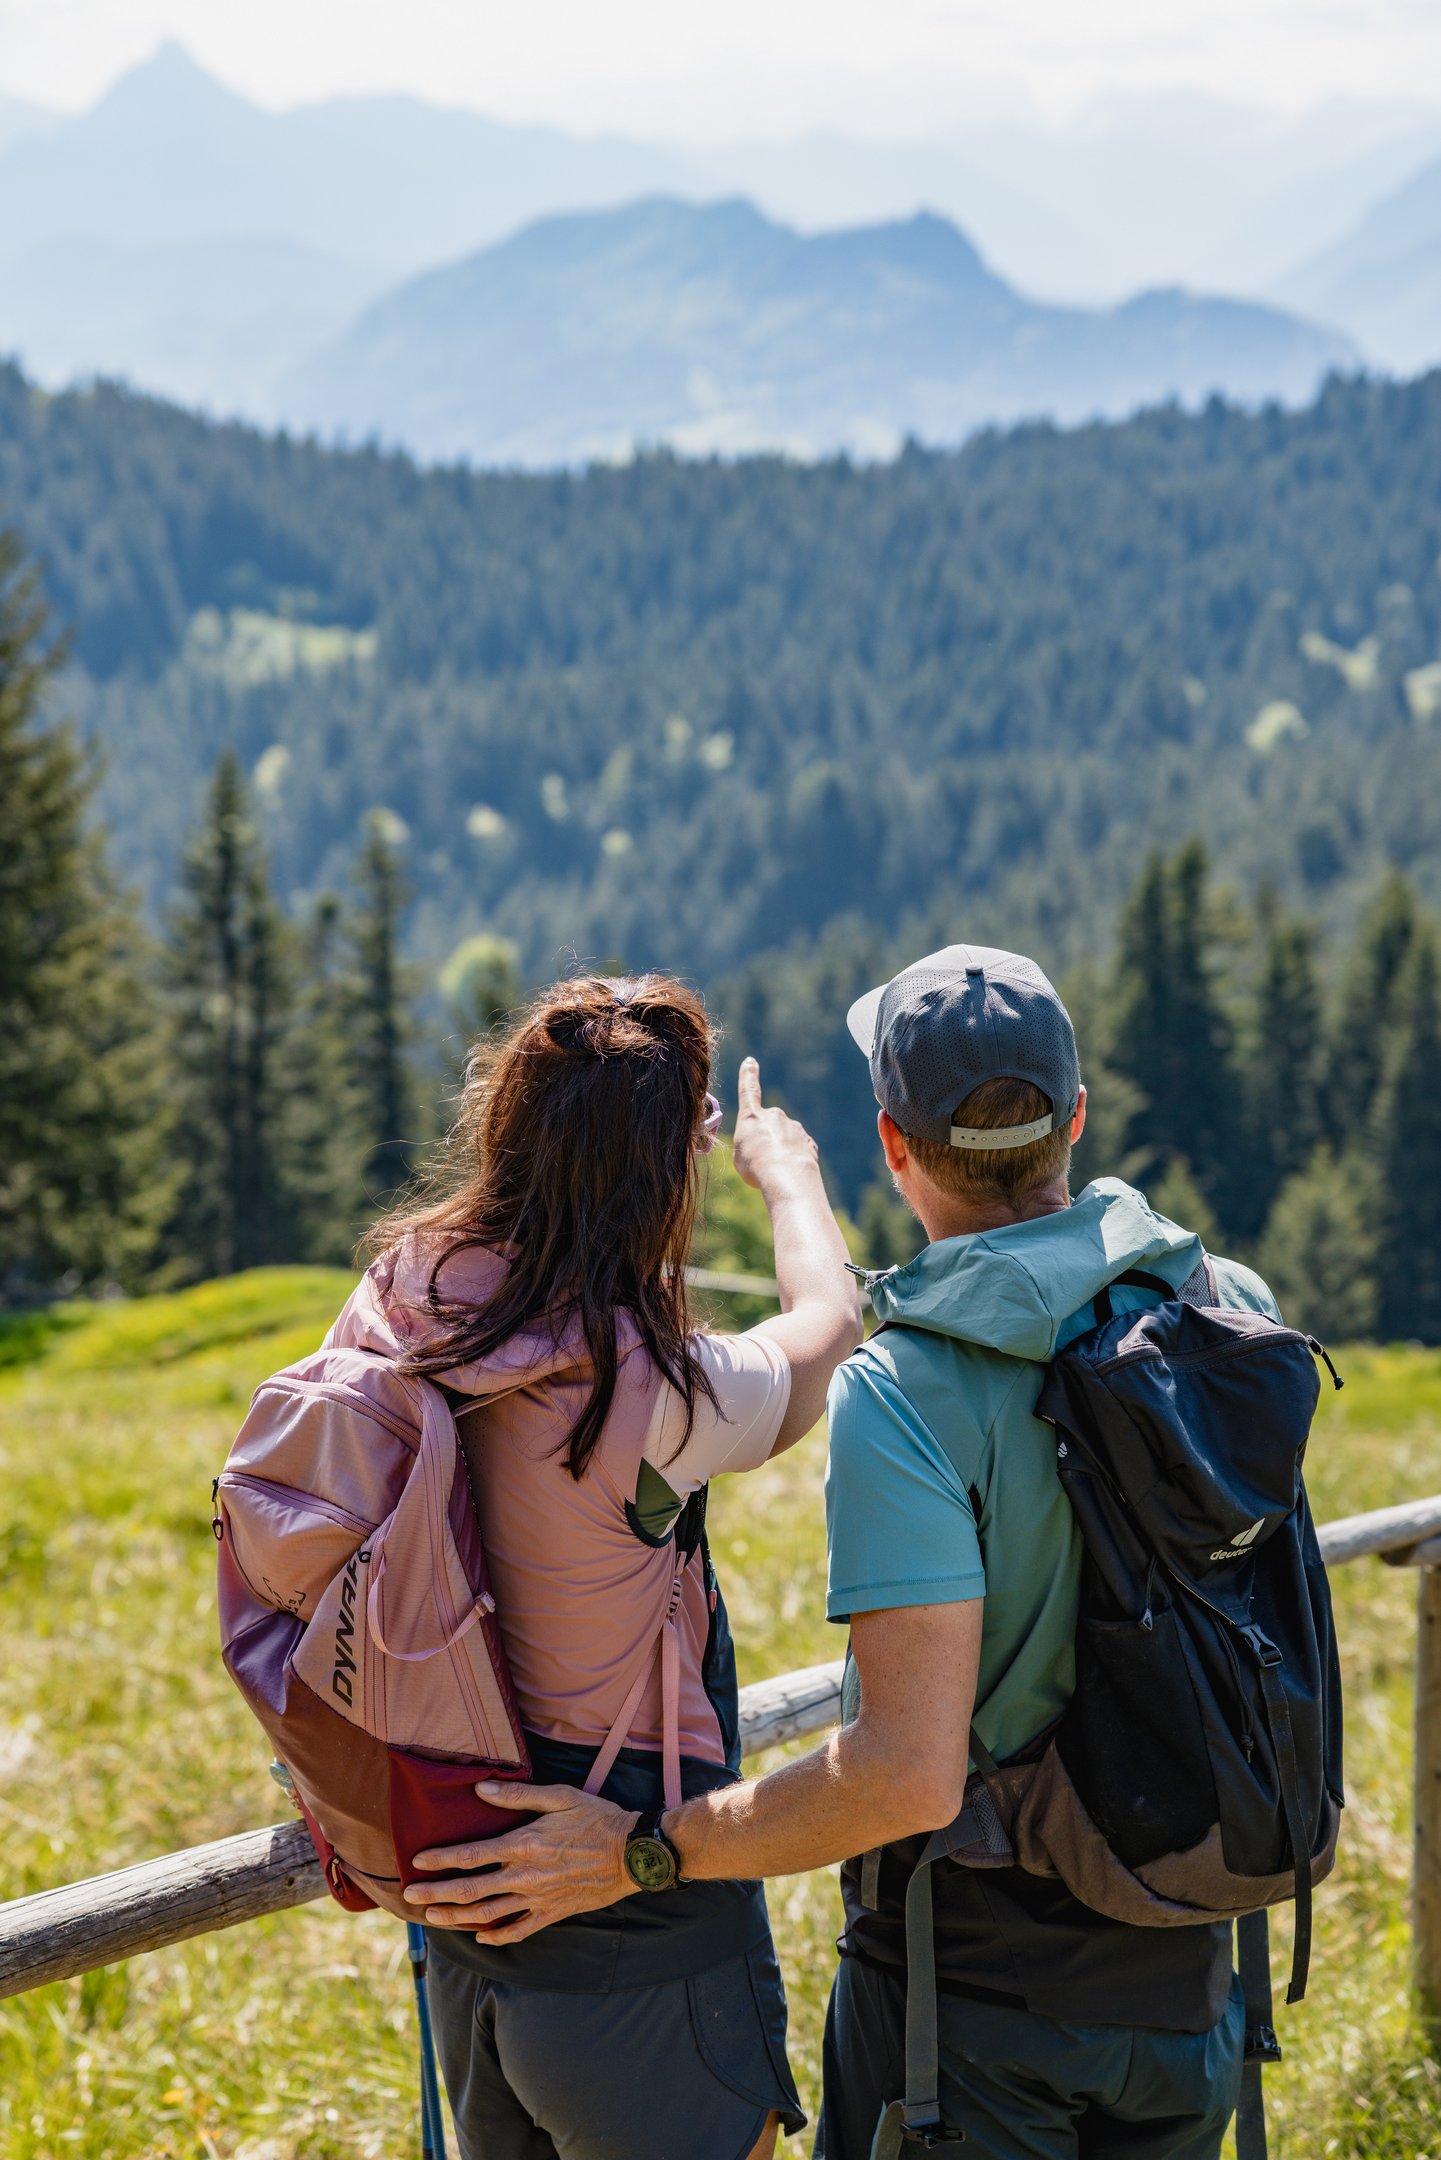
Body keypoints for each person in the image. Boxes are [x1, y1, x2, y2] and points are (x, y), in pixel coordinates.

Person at [411, 943, 1286, 2160]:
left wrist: (647, 1849)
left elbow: (905, 1780)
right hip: (1196, 1967)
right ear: (1076, 1117)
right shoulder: (1226, 1303)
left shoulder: (907, 1387)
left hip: (965, 2006)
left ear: (893, 1145)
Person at [338, 972, 861, 2160]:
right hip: (632, 1929)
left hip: (462, 1895)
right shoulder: (655, 1389)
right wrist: (786, 1173)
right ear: (665, 1170)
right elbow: (826, 1326)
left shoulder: (399, 1297)